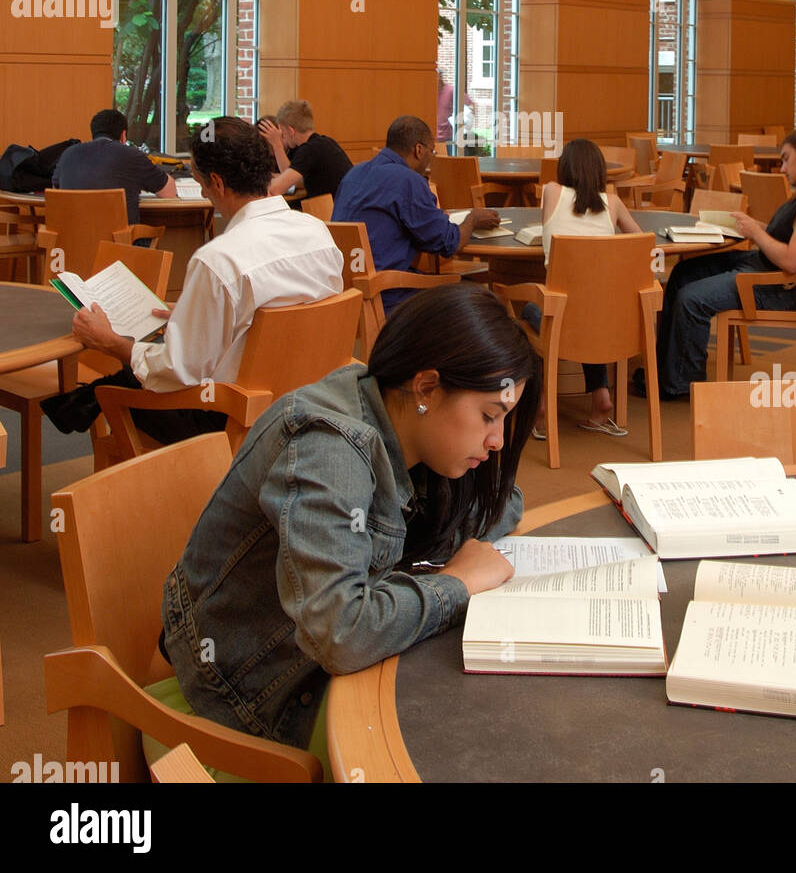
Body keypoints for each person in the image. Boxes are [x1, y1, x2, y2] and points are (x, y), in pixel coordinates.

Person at [161, 283, 540, 758]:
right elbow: (341, 635)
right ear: (425, 387)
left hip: (310, 664)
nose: (498, 440)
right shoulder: (330, 451)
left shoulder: (391, 406)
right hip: (247, 698)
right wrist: (457, 584)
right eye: (489, 416)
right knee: (469, 741)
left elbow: (505, 504)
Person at [44, 116, 344, 443]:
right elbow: (275, 320)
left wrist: (113, 344)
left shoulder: (219, 259)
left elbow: (179, 369)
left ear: (216, 181)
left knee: (119, 384)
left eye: (199, 180)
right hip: (304, 403)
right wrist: (199, 313)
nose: (201, 189)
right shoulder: (319, 235)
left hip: (230, 419)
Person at [650, 127, 796, 399]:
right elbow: (793, 238)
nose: (782, 168)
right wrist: (757, 227)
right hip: (767, 268)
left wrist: (757, 234)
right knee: (684, 273)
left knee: (691, 298)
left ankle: (681, 385)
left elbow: (793, 261)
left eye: (786, 159)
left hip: (783, 286)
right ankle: (665, 371)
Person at [525, 138, 642, 440]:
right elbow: (641, 243)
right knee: (593, 310)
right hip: (603, 324)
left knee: (528, 309)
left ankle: (539, 403)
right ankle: (601, 396)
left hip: (561, 324)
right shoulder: (613, 204)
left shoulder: (551, 192)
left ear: (564, 168)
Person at [333, 115, 501, 313]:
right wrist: (472, 219)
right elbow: (448, 243)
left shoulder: (354, 173)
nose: (432, 156)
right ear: (419, 150)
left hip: (345, 290)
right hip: (386, 293)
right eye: (432, 151)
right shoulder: (408, 181)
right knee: (476, 294)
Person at [52, 108, 176, 224]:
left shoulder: (68, 154)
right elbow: (169, 193)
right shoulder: (132, 156)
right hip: (120, 244)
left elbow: (56, 188)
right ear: (123, 135)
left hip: (72, 242)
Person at [258, 100, 353, 200]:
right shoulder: (325, 142)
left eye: (282, 133)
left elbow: (277, 189)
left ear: (291, 131)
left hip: (333, 211)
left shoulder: (309, 150)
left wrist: (276, 144)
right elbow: (296, 180)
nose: (283, 137)